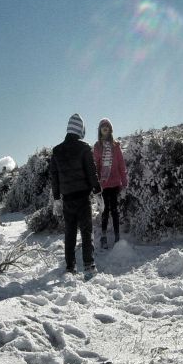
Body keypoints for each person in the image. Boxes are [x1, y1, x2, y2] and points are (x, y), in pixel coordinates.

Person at [50, 112, 101, 274]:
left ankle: (70, 266)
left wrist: (57, 198)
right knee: (87, 232)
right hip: (83, 198)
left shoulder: (56, 151)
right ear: (80, 130)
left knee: (70, 233)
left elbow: (54, 177)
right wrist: (98, 193)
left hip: (67, 200)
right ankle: (89, 265)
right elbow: (92, 173)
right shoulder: (84, 148)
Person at [93, 117, 128, 249]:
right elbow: (95, 166)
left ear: (110, 129)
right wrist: (96, 184)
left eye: (107, 126)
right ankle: (103, 236)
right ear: (100, 130)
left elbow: (121, 165)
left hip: (115, 183)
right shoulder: (97, 147)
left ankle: (117, 235)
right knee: (104, 210)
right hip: (103, 184)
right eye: (103, 126)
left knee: (114, 210)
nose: (105, 128)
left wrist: (124, 184)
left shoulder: (116, 146)